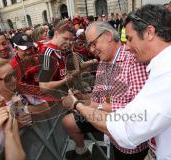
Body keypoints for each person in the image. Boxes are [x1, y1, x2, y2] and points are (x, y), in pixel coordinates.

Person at [63, 4, 171, 159]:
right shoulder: (170, 62)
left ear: (149, 32)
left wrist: (78, 105)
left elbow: (128, 128)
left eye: (130, 39)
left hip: (132, 143)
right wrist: (86, 100)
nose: (127, 47)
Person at [62, 21, 148, 160]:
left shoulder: (133, 58)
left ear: (108, 36)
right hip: (105, 120)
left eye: (93, 43)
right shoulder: (103, 62)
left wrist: (93, 106)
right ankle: (81, 151)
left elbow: (138, 112)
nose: (91, 50)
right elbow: (98, 96)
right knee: (68, 121)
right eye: (88, 45)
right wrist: (82, 98)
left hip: (127, 136)